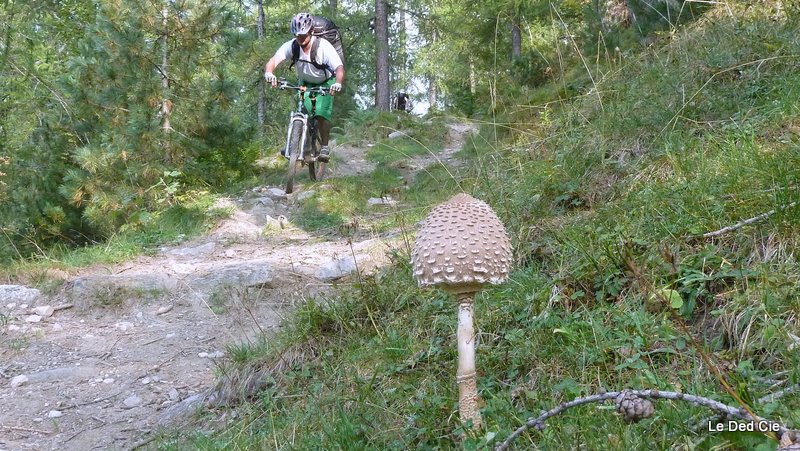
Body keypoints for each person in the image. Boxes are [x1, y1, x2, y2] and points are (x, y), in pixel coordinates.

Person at [264, 13, 345, 163]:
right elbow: (274, 60)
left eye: (303, 35)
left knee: (321, 113)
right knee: (302, 109)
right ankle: (294, 144)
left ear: (311, 31)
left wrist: (338, 82)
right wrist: (269, 72)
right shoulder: (292, 45)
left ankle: (325, 146)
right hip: (305, 82)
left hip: (326, 81)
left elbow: (339, 67)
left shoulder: (323, 47)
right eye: (297, 36)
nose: (300, 39)